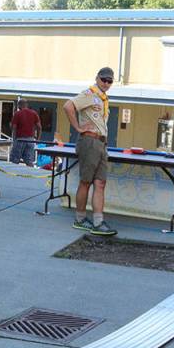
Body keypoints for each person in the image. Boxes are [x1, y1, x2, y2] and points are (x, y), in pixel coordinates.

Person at [64, 67, 118, 236]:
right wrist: (78, 128)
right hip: (89, 141)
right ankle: (80, 219)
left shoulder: (102, 98)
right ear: (97, 78)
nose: (106, 83)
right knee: (86, 181)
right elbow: (68, 106)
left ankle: (98, 221)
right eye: (104, 80)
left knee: (100, 183)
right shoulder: (90, 94)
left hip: (101, 143)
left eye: (110, 81)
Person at [9, 99, 41, 166]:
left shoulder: (17, 114)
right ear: (27, 105)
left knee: (15, 159)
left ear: (19, 105)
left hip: (20, 139)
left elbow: (13, 127)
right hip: (30, 140)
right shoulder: (34, 113)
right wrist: (37, 139)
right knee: (28, 160)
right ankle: (30, 174)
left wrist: (14, 139)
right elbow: (39, 127)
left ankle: (13, 175)